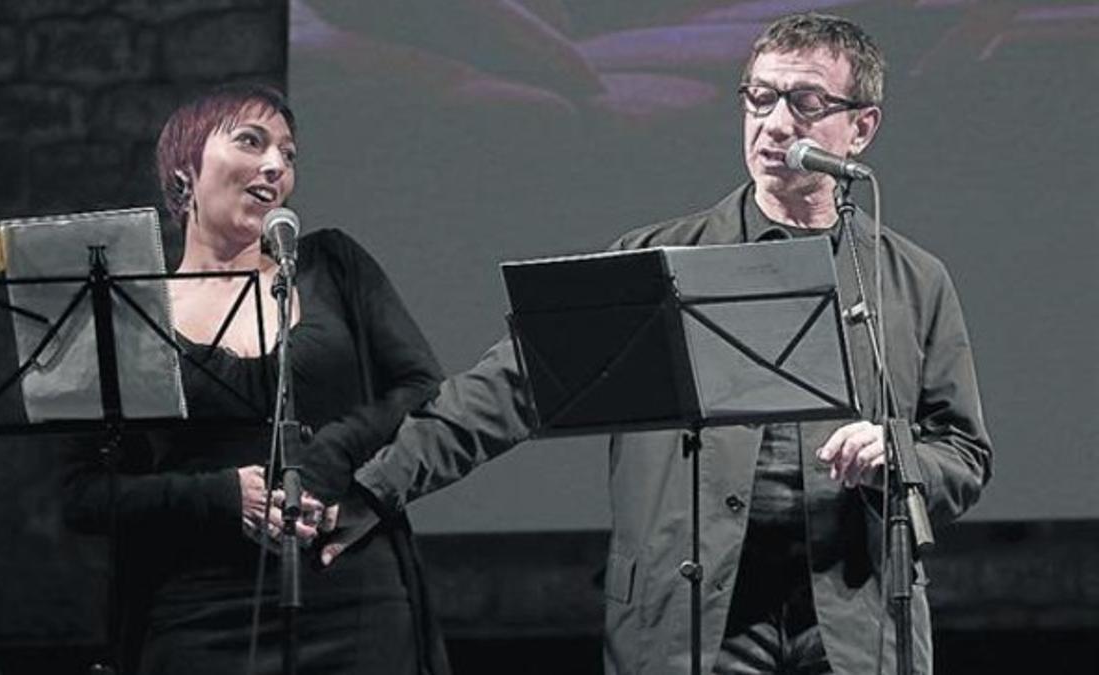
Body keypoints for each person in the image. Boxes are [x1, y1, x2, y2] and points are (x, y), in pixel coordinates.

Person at [318, 13, 992, 675]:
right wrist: (379, 486)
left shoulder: (913, 279)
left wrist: (895, 453)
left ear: (861, 128)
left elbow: (962, 452)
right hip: (693, 614)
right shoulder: (659, 262)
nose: (776, 122)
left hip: (856, 615)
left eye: (806, 102)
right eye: (759, 96)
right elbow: (512, 386)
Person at [62, 84, 450, 675]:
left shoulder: (332, 265)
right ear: (184, 171)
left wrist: (331, 455)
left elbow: (422, 386)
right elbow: (84, 495)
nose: (276, 166)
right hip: (199, 610)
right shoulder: (130, 313)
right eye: (252, 142)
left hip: (351, 593)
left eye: (289, 155)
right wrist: (220, 497)